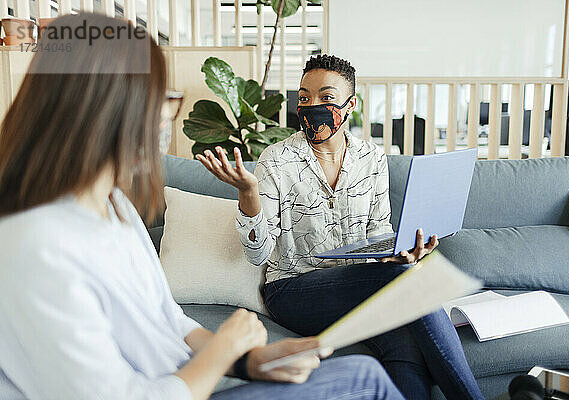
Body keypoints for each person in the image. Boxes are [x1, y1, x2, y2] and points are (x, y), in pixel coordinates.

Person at [0, 15, 406, 400]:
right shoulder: (35, 245)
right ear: (102, 111)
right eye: (157, 102)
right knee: (364, 375)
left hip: (191, 384)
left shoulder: (114, 205)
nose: (164, 121)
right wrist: (224, 349)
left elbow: (168, 319)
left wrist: (248, 361)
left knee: (377, 357)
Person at [197, 54, 485, 400]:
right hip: (293, 291)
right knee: (412, 284)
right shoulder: (277, 160)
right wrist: (248, 193)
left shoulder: (373, 158)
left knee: (405, 343)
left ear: (350, 106)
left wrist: (398, 255)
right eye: (304, 98)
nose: (312, 106)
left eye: (326, 97)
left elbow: (378, 233)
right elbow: (257, 253)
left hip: (357, 290)